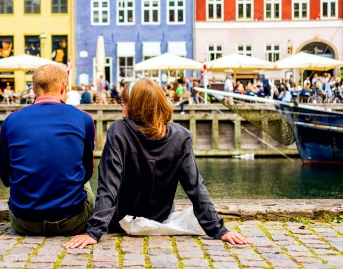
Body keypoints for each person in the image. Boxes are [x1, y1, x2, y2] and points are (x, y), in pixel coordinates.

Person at [63, 78, 249, 249]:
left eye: (124, 103)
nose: (122, 109)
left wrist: (94, 231)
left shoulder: (119, 131)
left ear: (133, 106)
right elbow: (195, 187)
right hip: (159, 216)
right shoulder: (181, 136)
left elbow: (108, 185)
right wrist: (218, 229)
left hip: (119, 219)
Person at [0, 64, 95, 236]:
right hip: (72, 221)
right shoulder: (84, 118)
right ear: (63, 87)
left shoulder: (11, 120)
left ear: (34, 90)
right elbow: (88, 171)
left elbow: (5, 176)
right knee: (83, 176)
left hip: (24, 222)